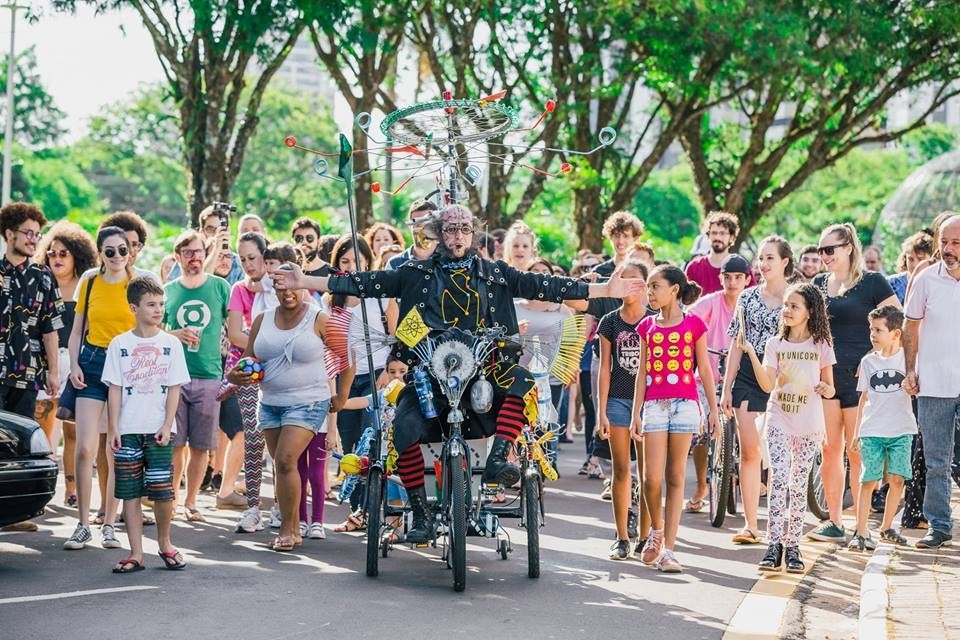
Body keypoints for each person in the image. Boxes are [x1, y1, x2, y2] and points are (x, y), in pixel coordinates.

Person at [270, 204, 643, 544]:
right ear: (438, 234)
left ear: (474, 233)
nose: (457, 236)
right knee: (402, 429)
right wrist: (303, 281)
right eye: (450, 230)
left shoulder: (495, 274)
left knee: (521, 380)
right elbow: (364, 283)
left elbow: (549, 286)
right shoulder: (414, 272)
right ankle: (420, 512)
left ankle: (498, 458)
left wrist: (603, 288)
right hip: (429, 376)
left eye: (465, 229)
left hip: (486, 371)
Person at [226, 267, 349, 551]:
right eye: (280, 288)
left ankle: (287, 529)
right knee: (283, 468)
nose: (288, 293)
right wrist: (236, 376)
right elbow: (247, 361)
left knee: (284, 459)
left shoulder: (318, 318)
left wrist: (341, 396)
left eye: (292, 286)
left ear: (302, 285)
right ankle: (293, 528)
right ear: (273, 291)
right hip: (270, 403)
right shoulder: (262, 321)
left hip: (309, 401)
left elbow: (347, 356)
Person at [808, 223, 899, 543]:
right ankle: (835, 520)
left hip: (862, 382)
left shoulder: (872, 282)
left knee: (858, 451)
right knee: (830, 450)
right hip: (827, 378)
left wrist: (876, 359)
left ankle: (861, 526)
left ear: (848, 247)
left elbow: (896, 324)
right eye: (820, 250)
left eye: (829, 249)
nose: (824, 256)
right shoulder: (818, 283)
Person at [742, 283, 836, 573]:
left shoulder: (821, 345)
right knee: (779, 479)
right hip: (779, 419)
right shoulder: (775, 345)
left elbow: (830, 389)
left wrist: (825, 387)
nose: (787, 310)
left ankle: (793, 545)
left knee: (798, 485)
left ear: (810, 312)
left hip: (808, 424)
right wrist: (751, 354)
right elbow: (768, 385)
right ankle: (774, 545)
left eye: (794, 306)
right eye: (785, 305)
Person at [632, 265, 719, 573]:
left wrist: (714, 412)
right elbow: (641, 373)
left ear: (674, 290)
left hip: (686, 405)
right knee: (650, 478)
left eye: (655, 286)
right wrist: (636, 414)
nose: (650, 292)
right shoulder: (646, 327)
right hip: (654, 406)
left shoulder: (694, 325)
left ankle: (669, 549)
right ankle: (656, 530)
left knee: (676, 477)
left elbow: (705, 370)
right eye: (649, 287)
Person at [103, 277, 191, 573]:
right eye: (151, 305)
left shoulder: (170, 344)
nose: (158, 310)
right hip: (127, 428)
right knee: (129, 491)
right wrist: (113, 426)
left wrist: (168, 424)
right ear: (133, 307)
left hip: (159, 430)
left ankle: (165, 544)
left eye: (161, 305)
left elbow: (175, 387)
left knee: (163, 490)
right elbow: (114, 387)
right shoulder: (120, 345)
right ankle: (136, 552)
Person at [64, 226, 135, 550]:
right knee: (85, 447)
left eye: (123, 250)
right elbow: (77, 329)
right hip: (91, 362)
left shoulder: (138, 283)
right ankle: (82, 524)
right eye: (111, 251)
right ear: (100, 253)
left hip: (125, 365)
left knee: (115, 449)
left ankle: (109, 523)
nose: (118, 256)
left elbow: (150, 325)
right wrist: (74, 364)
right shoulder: (90, 281)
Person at [722, 236, 795, 544]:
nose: (763, 264)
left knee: (782, 457)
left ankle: (781, 524)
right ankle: (752, 524)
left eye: (770, 258)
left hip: (786, 381)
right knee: (750, 452)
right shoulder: (748, 298)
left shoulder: (798, 297)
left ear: (785, 262)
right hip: (749, 381)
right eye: (760, 258)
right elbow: (736, 345)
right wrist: (726, 388)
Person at [326, 235, 398, 532]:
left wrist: (388, 372)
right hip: (344, 378)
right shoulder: (330, 299)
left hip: (375, 373)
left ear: (368, 263)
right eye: (344, 262)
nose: (351, 267)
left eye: (357, 261)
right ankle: (357, 509)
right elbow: (328, 344)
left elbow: (396, 337)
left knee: (373, 442)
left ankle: (369, 510)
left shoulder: (381, 295)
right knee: (351, 447)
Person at [0, 202, 64, 534]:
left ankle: (14, 512)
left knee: (21, 444)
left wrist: (53, 372)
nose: (33, 240)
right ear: (9, 233)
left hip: (26, 373)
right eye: (28, 233)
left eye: (38, 235)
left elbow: (51, 328)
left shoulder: (42, 276)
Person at [164, 230, 232, 523]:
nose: (195, 257)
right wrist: (173, 334)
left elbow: (234, 324)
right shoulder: (168, 290)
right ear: (178, 257)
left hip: (209, 374)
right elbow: (153, 332)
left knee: (201, 445)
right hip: (175, 376)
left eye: (200, 251)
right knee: (175, 444)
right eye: (189, 253)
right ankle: (173, 500)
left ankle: (192, 502)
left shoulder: (219, 286)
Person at [903, 213, 960, 549]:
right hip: (933, 384)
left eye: (956, 243)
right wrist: (910, 370)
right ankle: (939, 526)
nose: (948, 249)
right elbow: (911, 327)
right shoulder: (926, 278)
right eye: (945, 242)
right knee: (936, 461)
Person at [34, 221, 98, 506]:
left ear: (77, 256)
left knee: (74, 431)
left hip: (76, 362)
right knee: (43, 428)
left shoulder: (87, 286)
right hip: (45, 363)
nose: (57, 259)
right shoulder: (41, 285)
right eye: (52, 253)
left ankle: (71, 490)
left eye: (64, 253)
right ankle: (41, 490)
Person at [685, 254, 750, 513]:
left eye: (738, 277)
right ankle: (702, 484)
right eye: (727, 277)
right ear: (720, 278)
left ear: (747, 280)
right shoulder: (712, 301)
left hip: (743, 375)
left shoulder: (751, 301)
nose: (732, 283)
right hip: (709, 376)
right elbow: (689, 318)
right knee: (701, 430)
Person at [848, 305, 916, 551]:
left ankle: (887, 527)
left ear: (896, 333)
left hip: (901, 428)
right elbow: (863, 398)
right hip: (873, 429)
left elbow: (916, 386)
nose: (872, 334)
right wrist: (857, 432)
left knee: (898, 479)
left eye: (878, 330)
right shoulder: (868, 362)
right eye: (871, 329)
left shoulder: (909, 359)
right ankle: (861, 531)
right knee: (869, 480)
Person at [597, 261, 651, 560]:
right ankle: (621, 537)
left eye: (634, 279)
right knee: (621, 470)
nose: (628, 284)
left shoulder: (655, 320)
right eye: (622, 278)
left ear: (644, 285)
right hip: (617, 401)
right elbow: (604, 368)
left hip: (647, 404)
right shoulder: (609, 322)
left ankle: (645, 535)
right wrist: (601, 411)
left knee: (647, 474)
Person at [225, 232, 274, 532]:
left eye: (252, 258)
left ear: (265, 256)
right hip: (249, 372)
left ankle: (282, 508)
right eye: (242, 259)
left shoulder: (280, 285)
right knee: (253, 439)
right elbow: (234, 333)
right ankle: (253, 507)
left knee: (281, 443)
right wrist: (267, 347)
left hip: (281, 372)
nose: (247, 265)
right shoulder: (239, 290)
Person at [168, 206, 245, 284]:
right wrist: (216, 250)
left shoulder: (237, 262)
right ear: (201, 232)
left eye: (221, 229)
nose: (216, 234)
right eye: (210, 229)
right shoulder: (187, 258)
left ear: (228, 230)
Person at [684, 212, 755, 295]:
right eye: (714, 233)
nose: (717, 237)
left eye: (722, 233)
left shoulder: (742, 267)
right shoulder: (694, 267)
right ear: (708, 235)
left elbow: (752, 300)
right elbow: (684, 301)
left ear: (731, 237)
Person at [387, 200, 439, 269]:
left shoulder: (449, 262)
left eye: (425, 222)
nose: (421, 228)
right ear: (410, 226)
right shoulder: (394, 264)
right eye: (416, 223)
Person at [887, 231, 933, 304]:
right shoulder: (891, 284)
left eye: (920, 259)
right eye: (910, 259)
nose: (915, 264)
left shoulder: (937, 284)